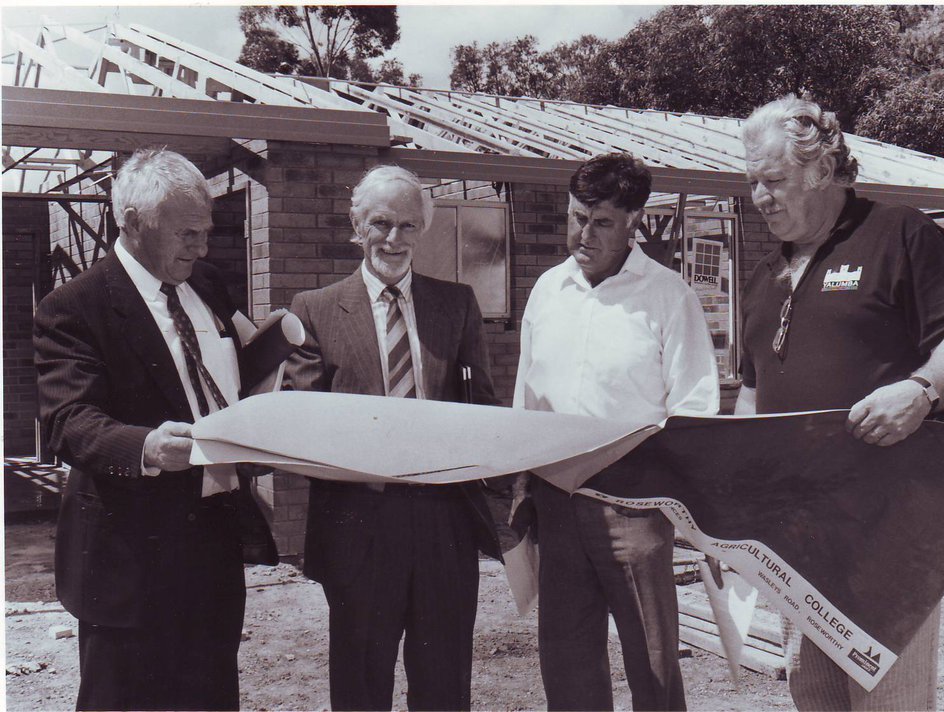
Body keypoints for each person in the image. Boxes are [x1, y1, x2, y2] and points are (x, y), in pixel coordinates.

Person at [736, 94, 944, 711]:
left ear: (821, 169)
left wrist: (921, 390)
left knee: (888, 702)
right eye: (753, 183)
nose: (760, 197)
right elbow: (750, 392)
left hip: (890, 525)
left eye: (773, 180)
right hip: (798, 533)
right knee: (814, 697)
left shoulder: (901, 234)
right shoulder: (764, 275)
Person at [34, 147, 275, 711]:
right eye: (186, 234)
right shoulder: (75, 306)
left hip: (212, 547)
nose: (201, 247)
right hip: (128, 558)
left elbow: (237, 363)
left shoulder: (208, 283)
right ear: (133, 224)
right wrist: (144, 446)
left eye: (206, 232)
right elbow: (69, 420)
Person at [284, 164, 502, 711]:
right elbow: (304, 426)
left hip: (443, 527)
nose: (394, 239)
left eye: (408, 226)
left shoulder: (457, 305)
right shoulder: (313, 310)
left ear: (423, 230)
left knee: (444, 686)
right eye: (380, 223)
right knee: (360, 688)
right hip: (360, 528)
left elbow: (483, 412)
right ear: (355, 226)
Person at [513, 152, 720, 711]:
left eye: (602, 222)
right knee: (568, 662)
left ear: (634, 220)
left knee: (652, 667)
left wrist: (673, 509)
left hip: (635, 505)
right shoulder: (547, 292)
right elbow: (525, 400)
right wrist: (522, 490)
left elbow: (695, 406)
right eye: (577, 216)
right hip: (557, 500)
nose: (585, 233)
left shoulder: (667, 295)